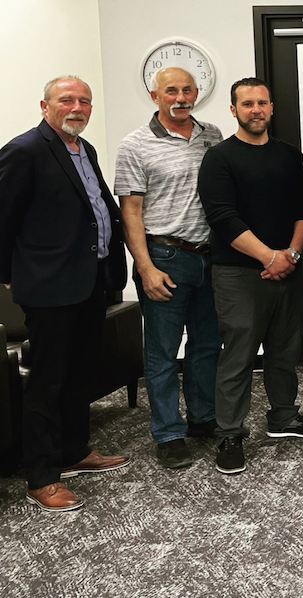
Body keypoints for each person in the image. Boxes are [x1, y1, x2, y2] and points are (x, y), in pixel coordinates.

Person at [0, 75, 130, 511]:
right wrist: (8, 276)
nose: (77, 107)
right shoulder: (25, 151)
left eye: (85, 101)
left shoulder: (83, 148)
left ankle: (74, 451)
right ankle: (41, 476)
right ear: (45, 105)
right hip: (49, 285)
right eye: (67, 100)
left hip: (90, 281)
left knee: (81, 372)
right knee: (47, 380)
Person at [199, 78, 303, 475]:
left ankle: (284, 417)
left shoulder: (290, 156)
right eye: (247, 103)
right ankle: (230, 433)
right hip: (239, 273)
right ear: (234, 110)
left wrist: (290, 253)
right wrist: (269, 257)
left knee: (284, 349)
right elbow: (222, 217)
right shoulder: (219, 158)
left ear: (272, 108)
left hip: (286, 267)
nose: (255, 110)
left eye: (262, 103)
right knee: (238, 354)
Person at [115, 67, 225, 469]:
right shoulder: (135, 145)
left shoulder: (211, 136)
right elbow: (131, 212)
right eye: (170, 91)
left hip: (208, 257)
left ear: (197, 93)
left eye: (186, 90)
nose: (180, 97)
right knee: (162, 352)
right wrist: (143, 267)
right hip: (164, 257)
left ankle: (202, 417)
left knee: (206, 345)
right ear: (154, 95)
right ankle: (168, 433)